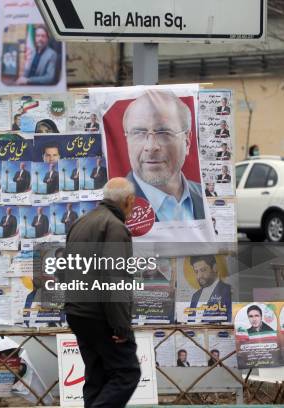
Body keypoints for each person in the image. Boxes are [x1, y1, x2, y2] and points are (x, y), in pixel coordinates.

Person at [64, 178, 141, 408]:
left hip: (78, 312)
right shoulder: (115, 228)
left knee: (97, 377)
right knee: (127, 373)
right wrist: (121, 326)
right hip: (100, 316)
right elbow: (114, 280)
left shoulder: (81, 222)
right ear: (128, 201)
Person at [123, 90, 205, 221]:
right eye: (139, 133)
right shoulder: (110, 209)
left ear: (188, 142)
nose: (150, 147)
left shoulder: (209, 198)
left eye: (164, 133)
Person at [188, 255, 232, 321]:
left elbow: (231, 324)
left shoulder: (228, 291)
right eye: (196, 272)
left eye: (203, 270)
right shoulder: (195, 296)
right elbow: (190, 323)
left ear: (215, 268)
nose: (199, 276)